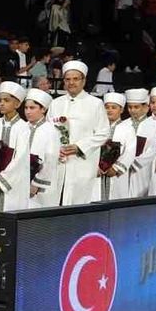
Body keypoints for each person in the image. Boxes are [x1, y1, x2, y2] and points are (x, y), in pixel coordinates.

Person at [49, 60, 109, 206]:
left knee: (79, 202)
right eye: (67, 79)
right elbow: (48, 130)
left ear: (84, 81)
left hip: (82, 162)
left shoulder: (95, 103)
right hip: (58, 162)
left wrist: (79, 147)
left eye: (75, 79)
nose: (71, 83)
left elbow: (103, 133)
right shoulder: (56, 103)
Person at [0, 81, 31, 212]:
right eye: (0, 100)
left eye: (6, 100)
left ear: (17, 104)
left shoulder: (24, 127)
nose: (1, 103)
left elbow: (20, 158)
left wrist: (0, 179)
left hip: (13, 183)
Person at [23, 88, 62, 208]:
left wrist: (36, 183)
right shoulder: (22, 128)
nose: (28, 111)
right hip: (22, 182)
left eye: (32, 108)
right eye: (26, 108)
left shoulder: (51, 131)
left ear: (43, 109)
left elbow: (51, 160)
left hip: (43, 185)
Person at [94, 92, 135, 201]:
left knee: (116, 199)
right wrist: (94, 166)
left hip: (115, 174)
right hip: (96, 172)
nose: (109, 110)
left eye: (113, 107)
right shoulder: (97, 127)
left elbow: (130, 152)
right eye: (107, 107)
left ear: (121, 110)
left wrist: (116, 168)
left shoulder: (127, 128)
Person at [124, 89, 156, 198]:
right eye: (130, 107)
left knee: (139, 195)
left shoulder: (152, 125)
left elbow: (153, 149)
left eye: (136, 107)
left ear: (146, 107)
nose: (132, 110)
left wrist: (136, 163)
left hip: (142, 168)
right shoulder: (123, 124)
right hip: (123, 168)